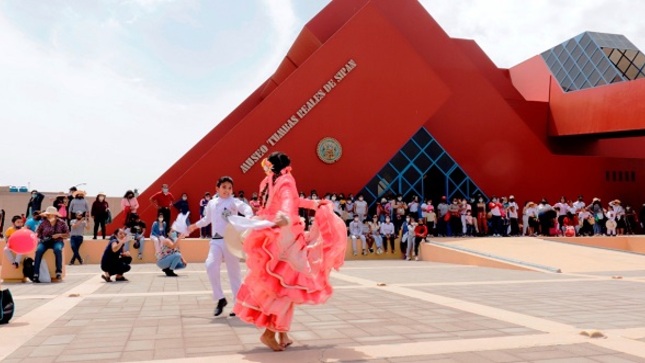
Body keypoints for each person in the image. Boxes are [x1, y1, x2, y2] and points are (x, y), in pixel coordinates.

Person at [232, 152, 346, 352]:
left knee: (279, 284)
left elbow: (292, 200)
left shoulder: (267, 181)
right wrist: (284, 216)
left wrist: (312, 204)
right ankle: (269, 333)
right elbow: (287, 201)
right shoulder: (285, 180)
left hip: (270, 233)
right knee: (288, 283)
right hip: (286, 235)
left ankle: (282, 333)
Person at [187, 176, 253, 317]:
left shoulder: (233, 202)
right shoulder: (211, 203)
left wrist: (248, 217)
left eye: (229, 188)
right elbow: (207, 219)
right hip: (216, 241)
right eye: (224, 187)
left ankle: (238, 304)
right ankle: (220, 298)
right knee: (210, 265)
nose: (227, 190)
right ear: (217, 188)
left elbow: (246, 208)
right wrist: (194, 226)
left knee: (234, 274)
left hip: (230, 242)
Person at [33, 206, 70, 282]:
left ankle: (58, 272)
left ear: (55, 215)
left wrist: (59, 235)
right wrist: (41, 238)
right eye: (48, 215)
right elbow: (38, 233)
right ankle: (36, 273)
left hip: (57, 241)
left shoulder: (61, 222)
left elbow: (67, 234)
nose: (49, 216)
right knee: (38, 251)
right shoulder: (43, 223)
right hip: (45, 242)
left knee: (57, 250)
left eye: (51, 214)